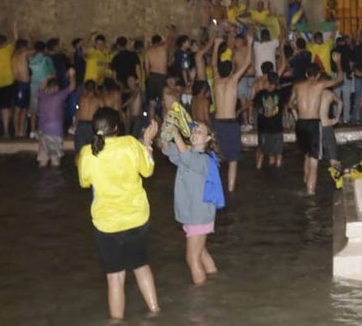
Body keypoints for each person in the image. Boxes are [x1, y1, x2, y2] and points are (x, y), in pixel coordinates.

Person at [77, 107, 160, 321]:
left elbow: (84, 181)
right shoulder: (131, 144)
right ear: (117, 127)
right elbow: (148, 170)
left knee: (115, 279)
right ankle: (156, 313)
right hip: (136, 219)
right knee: (141, 267)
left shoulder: (88, 152)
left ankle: (116, 321)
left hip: (106, 224)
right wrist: (147, 142)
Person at [162, 120, 224, 285]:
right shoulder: (189, 153)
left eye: (200, 132)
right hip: (195, 213)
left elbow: (187, 158)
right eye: (194, 130)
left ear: (208, 138)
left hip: (199, 214)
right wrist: (165, 133)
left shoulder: (205, 160)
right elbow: (169, 150)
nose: (195, 133)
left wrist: (176, 134)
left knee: (192, 257)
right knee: (201, 252)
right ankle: (213, 281)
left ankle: (201, 296)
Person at [289, 65, 343, 195]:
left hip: (300, 123)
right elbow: (340, 78)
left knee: (306, 156)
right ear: (318, 75)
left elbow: (290, 104)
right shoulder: (320, 86)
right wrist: (338, 62)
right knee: (314, 162)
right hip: (314, 124)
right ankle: (310, 192)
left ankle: (306, 181)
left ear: (306, 75)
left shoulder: (297, 86)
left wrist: (297, 115)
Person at [211, 35, 251, 193]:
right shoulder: (233, 81)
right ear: (231, 71)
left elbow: (213, 64)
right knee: (233, 160)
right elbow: (247, 63)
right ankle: (231, 189)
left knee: (217, 156)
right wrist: (251, 43)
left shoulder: (216, 81)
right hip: (230, 123)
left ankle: (216, 187)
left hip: (218, 122)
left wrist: (216, 45)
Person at [37, 69, 76, 167]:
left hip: (43, 132)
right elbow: (72, 87)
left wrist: (49, 77)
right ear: (57, 87)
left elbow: (40, 86)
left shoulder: (41, 95)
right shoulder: (59, 95)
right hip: (55, 132)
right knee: (55, 161)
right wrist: (72, 75)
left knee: (43, 162)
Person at [253, 68, 284, 169]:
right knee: (278, 153)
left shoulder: (260, 94)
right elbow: (284, 108)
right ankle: (278, 173)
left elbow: (256, 106)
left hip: (264, 128)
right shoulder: (281, 94)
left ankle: (258, 171)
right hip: (277, 128)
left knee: (261, 152)